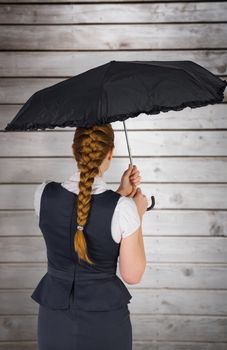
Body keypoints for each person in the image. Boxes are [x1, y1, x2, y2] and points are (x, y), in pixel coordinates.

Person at [32, 123, 148, 350]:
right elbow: (132, 275)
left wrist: (120, 196)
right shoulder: (123, 209)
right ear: (110, 152)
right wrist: (137, 213)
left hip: (54, 320)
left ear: (73, 149)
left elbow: (79, 216)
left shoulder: (43, 194)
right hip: (104, 323)